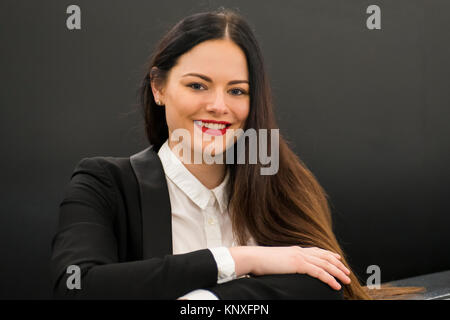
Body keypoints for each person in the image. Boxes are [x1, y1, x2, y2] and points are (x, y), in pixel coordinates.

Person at [50, 7, 422, 300]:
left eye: (237, 91)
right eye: (198, 85)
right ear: (158, 87)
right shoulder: (103, 184)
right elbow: (78, 287)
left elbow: (326, 283)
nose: (218, 105)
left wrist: (203, 302)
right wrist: (243, 259)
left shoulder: (277, 178)